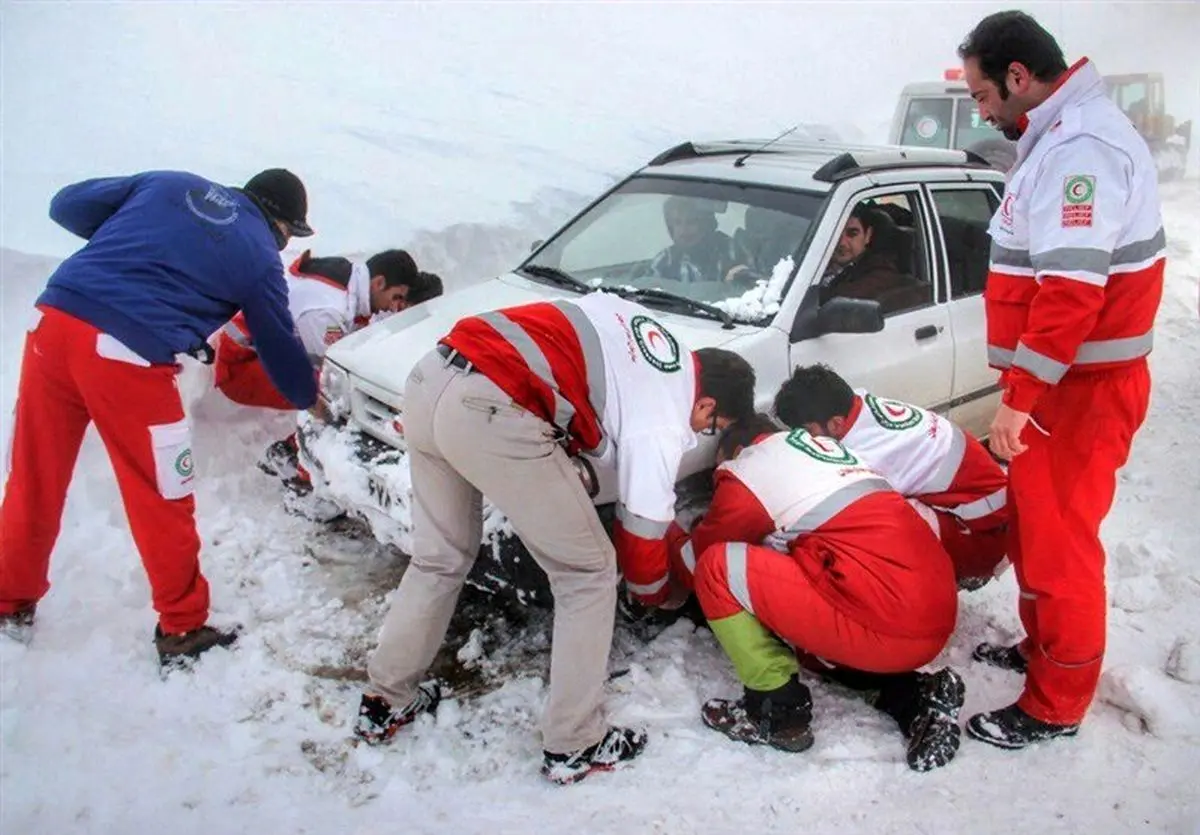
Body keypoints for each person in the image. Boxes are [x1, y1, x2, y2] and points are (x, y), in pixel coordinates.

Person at [353, 290, 756, 785]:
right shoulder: (666, 414)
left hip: (430, 377)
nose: (700, 435)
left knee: (440, 558)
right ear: (708, 401)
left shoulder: (646, 336)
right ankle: (575, 741)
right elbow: (642, 532)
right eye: (711, 425)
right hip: (492, 406)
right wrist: (656, 596)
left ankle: (385, 699)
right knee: (588, 573)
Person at [0, 168, 319, 669]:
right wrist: (310, 396)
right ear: (281, 223)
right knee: (162, 492)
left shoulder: (171, 184)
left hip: (53, 326)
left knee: (33, 478)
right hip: (126, 355)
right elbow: (277, 346)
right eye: (288, 236)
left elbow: (65, 205)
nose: (282, 246)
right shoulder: (259, 258)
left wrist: (144, 243)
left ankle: (8, 603)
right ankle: (182, 626)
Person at [957, 11, 1166, 748]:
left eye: (983, 95)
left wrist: (1021, 396)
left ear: (1019, 78)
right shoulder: (1058, 136)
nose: (980, 110)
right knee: (1037, 530)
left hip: (1079, 391)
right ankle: (1042, 648)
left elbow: (1070, 292)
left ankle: (1058, 699)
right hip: (1061, 386)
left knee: (1062, 546)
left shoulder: (1083, 149)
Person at [668, 414, 964, 772]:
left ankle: (777, 713)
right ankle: (915, 697)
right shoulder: (832, 455)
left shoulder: (750, 469)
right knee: (801, 632)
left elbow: (696, 564)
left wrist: (663, 527)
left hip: (889, 623)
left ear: (738, 451)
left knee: (719, 566)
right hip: (931, 610)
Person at [213, 249, 440, 490]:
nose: (394, 307)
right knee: (336, 398)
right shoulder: (327, 310)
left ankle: (293, 452)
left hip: (261, 354)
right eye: (396, 297)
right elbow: (330, 372)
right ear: (379, 282)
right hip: (242, 366)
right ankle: (302, 471)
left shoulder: (349, 283)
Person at [773, 364, 1009, 586]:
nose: (806, 439)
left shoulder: (873, 454)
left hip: (988, 537)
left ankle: (936, 581)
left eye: (807, 431)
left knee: (866, 524)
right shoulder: (858, 404)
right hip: (989, 510)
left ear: (835, 424)